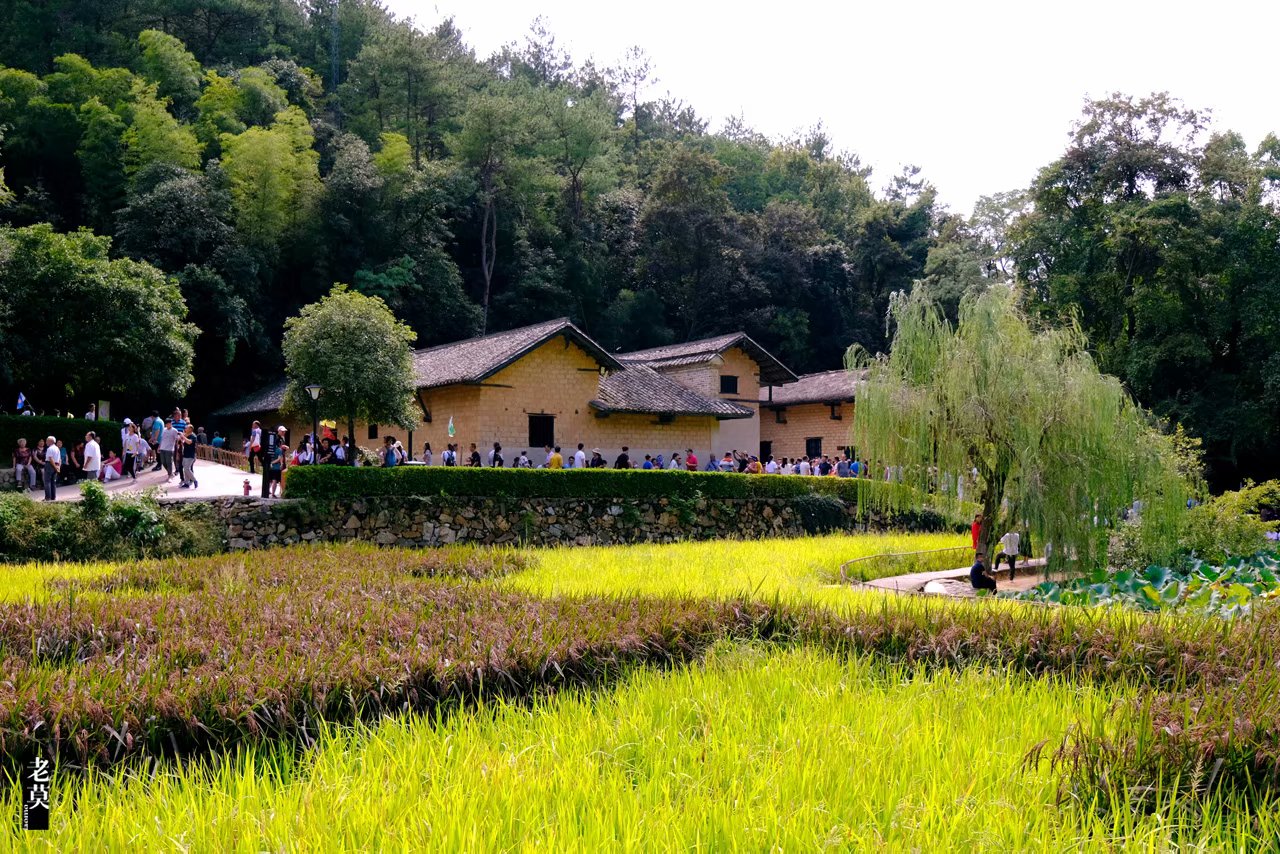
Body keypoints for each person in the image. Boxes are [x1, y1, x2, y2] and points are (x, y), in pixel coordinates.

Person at [41, 435, 60, 501]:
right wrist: (58, 467)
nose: (46, 442)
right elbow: (59, 459)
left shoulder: (50, 448)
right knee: (53, 482)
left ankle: (48, 497)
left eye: (47, 440)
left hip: (50, 465)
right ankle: (53, 497)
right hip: (56, 464)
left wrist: (55, 467)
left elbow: (50, 458)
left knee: (47, 481)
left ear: (50, 441)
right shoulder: (57, 448)